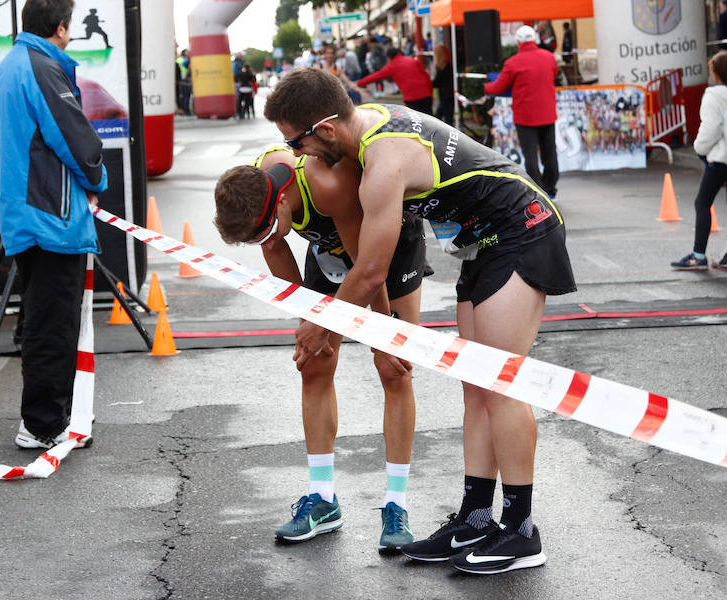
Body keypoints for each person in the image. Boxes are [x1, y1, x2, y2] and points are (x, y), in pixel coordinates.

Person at [264, 68, 575, 575]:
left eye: (297, 143)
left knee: (501, 386)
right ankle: (477, 518)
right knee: (476, 388)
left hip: (521, 227)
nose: (299, 156)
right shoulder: (368, 128)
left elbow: (369, 269)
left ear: (324, 129)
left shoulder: (385, 160)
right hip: (483, 240)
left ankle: (521, 532)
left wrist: (321, 323)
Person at [214, 144, 426, 551]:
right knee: (313, 364)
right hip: (330, 251)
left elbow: (368, 267)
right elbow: (277, 252)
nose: (268, 241)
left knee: (393, 368)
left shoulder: (326, 184)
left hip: (385, 247)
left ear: (279, 201)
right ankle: (323, 500)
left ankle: (396, 505)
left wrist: (381, 333)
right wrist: (310, 327)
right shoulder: (257, 194)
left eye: (267, 230)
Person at [0, 0, 108, 448]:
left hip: (25, 212)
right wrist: (97, 178)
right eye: (69, 25)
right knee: (52, 324)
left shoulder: (8, 67)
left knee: (39, 320)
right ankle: (43, 425)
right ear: (60, 27)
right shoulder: (40, 68)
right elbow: (76, 140)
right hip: (50, 216)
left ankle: (44, 418)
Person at [671, 51, 727, 271]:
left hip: (719, 157)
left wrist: (700, 149)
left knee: (702, 203)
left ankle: (698, 255)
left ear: (715, 74)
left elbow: (711, 128)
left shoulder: (713, 96)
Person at [484, 25, 559, 199]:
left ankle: (539, 190)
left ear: (518, 41)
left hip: (525, 115)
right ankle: (551, 187)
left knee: (530, 154)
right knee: (550, 151)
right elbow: (553, 74)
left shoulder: (513, 63)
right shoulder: (549, 57)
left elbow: (499, 87)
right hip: (547, 112)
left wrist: (486, 87)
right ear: (534, 38)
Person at [355, 46, 434, 115]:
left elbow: (375, 76)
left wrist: (358, 83)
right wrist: (431, 93)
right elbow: (426, 76)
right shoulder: (412, 60)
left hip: (411, 98)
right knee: (431, 119)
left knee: (418, 123)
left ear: (388, 57)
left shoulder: (391, 66)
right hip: (426, 94)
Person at [432, 44, 454, 126]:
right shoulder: (447, 65)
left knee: (444, 117)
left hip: (446, 95)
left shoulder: (443, 67)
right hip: (447, 94)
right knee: (441, 115)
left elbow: (437, 82)